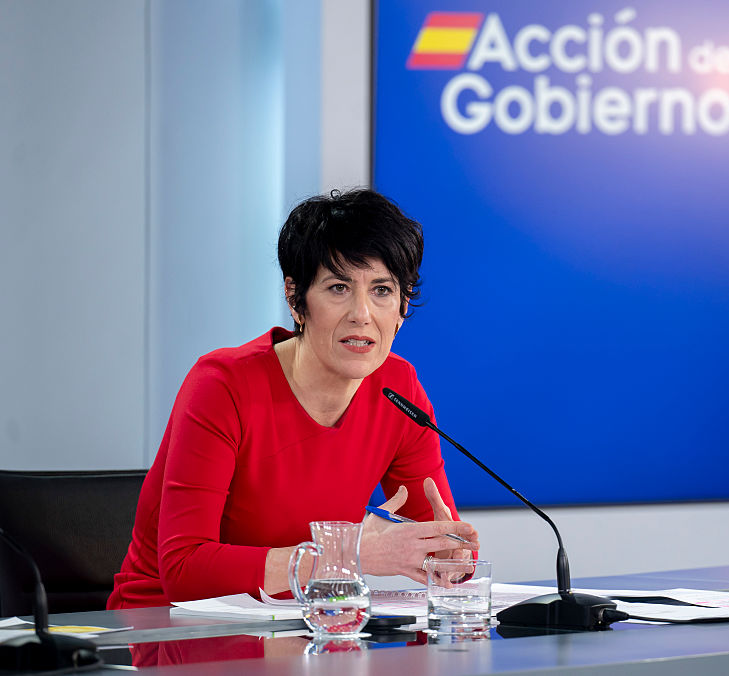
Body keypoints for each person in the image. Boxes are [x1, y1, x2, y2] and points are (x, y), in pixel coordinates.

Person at [108, 189, 478, 609]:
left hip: (305, 621)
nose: (362, 313)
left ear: (402, 306)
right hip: (171, 627)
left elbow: (440, 540)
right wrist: (347, 554)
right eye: (338, 288)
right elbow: (184, 572)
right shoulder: (222, 386)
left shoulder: (399, 389)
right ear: (295, 298)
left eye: (381, 290)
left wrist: (451, 556)